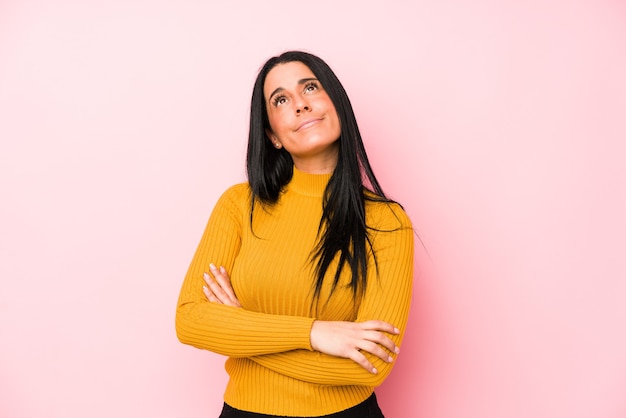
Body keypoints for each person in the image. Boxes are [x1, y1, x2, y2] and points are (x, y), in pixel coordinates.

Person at [176, 50, 414, 418]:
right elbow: (191, 319)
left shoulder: (387, 221)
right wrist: (315, 333)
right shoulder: (238, 205)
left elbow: (368, 364)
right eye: (281, 100)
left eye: (311, 88)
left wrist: (242, 331)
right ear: (272, 134)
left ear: (336, 103)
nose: (300, 105)